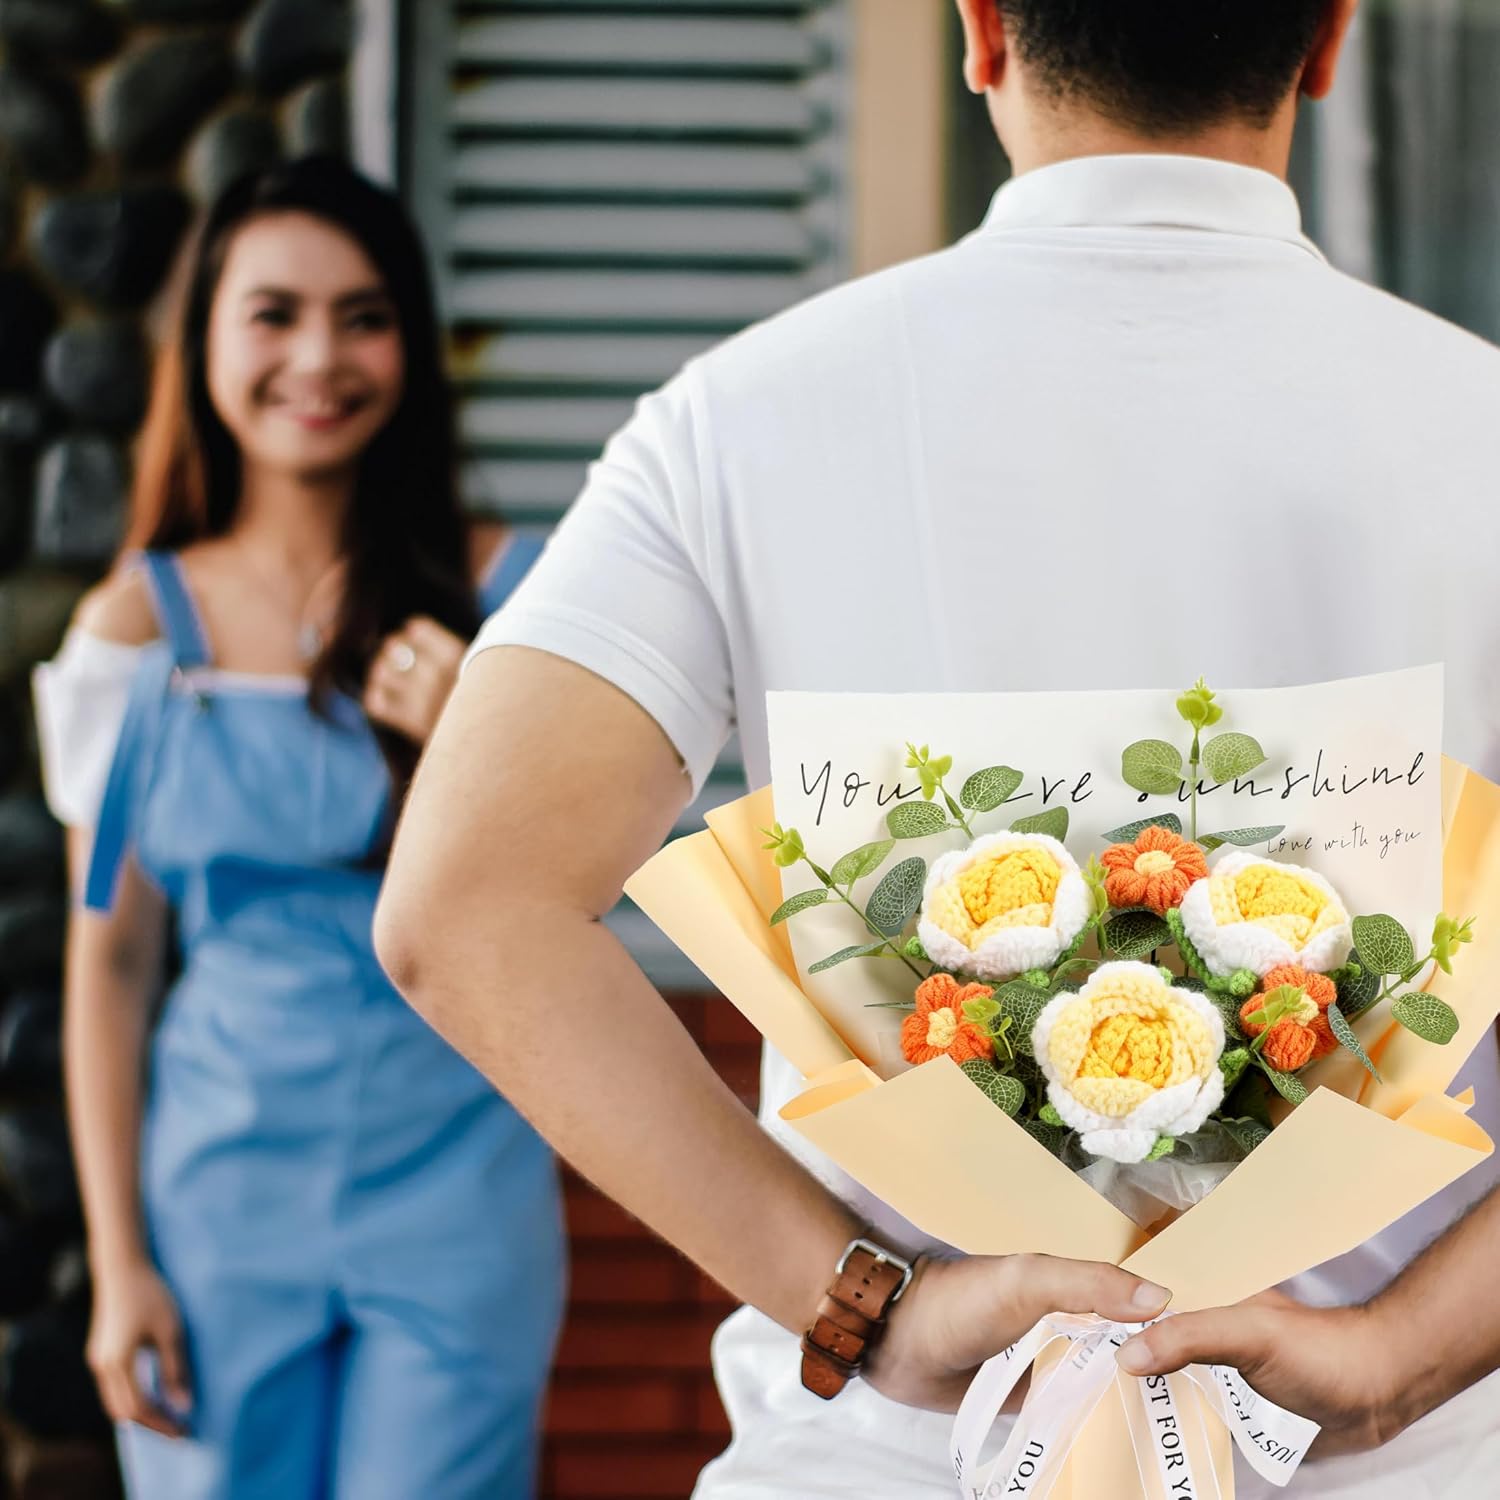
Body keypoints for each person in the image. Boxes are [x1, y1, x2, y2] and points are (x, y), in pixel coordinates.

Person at [374, 3, 1500, 1495]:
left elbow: (466, 910)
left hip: (893, 1456)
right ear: (1327, 43)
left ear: (979, 32)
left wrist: (866, 1307)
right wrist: (1395, 1359)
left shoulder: (739, 423)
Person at [33, 158, 563, 1500]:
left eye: (365, 314)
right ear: (203, 336)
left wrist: (473, 752)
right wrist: (120, 1264)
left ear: (412, 344)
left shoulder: (515, 598)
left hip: (463, 1189)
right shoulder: (138, 629)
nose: (318, 356)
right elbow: (110, 965)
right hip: (215, 1201)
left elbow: (591, 908)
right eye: (273, 313)